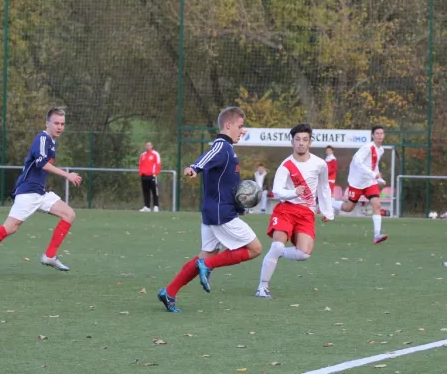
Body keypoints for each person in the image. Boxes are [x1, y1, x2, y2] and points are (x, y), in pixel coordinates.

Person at [157, 106, 262, 312]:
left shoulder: (229, 150)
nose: (243, 130)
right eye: (240, 126)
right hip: (220, 214)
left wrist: (240, 208)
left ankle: (169, 293)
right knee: (255, 249)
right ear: (228, 125)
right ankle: (209, 266)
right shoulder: (221, 146)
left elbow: (227, 186)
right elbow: (207, 155)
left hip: (215, 211)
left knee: (203, 257)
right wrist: (194, 168)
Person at [0, 107, 82, 271]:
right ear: (47, 123)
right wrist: (67, 175)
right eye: (56, 123)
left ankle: (50, 256)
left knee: (69, 214)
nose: (60, 127)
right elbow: (41, 164)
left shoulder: (52, 142)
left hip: (40, 192)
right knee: (11, 228)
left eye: (62, 124)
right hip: (28, 192)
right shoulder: (42, 139)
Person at [255, 124, 334, 299]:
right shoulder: (286, 165)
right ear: (292, 141)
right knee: (277, 244)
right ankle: (262, 287)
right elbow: (277, 190)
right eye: (297, 139)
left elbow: (324, 187)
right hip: (286, 210)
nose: (301, 143)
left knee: (304, 253)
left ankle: (278, 253)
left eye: (305, 139)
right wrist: (293, 192)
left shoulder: (320, 164)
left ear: (310, 142)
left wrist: (328, 211)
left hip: (306, 213)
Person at [332, 126, 389, 244]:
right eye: (377, 133)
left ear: (384, 136)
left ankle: (377, 234)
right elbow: (357, 161)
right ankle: (328, 202)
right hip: (356, 182)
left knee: (376, 205)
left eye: (381, 133)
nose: (379, 136)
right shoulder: (367, 148)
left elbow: (374, 165)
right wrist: (373, 174)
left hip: (370, 183)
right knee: (348, 208)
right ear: (372, 135)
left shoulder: (381, 150)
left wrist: (378, 178)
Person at [138, 142, 161, 212]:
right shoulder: (143, 155)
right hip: (144, 176)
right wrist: (141, 173)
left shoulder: (155, 154)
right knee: (146, 191)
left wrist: (155, 173)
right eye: (146, 145)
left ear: (152, 146)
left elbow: (158, 164)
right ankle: (147, 207)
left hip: (152, 176)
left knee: (154, 191)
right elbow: (140, 165)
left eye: (149, 145)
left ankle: (156, 206)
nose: (147, 146)